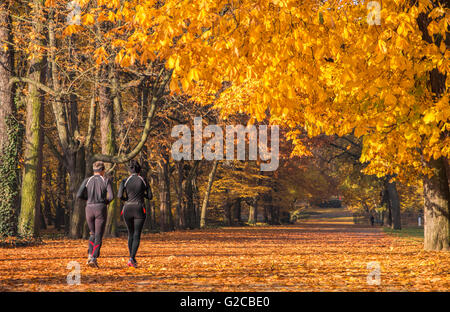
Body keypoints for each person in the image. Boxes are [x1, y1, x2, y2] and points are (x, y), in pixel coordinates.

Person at [76, 161, 114, 268]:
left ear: (94, 170)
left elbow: (79, 195)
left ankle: (89, 255)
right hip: (100, 208)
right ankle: (93, 258)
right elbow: (111, 197)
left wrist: (88, 200)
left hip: (89, 208)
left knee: (92, 233)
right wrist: (104, 202)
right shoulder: (106, 180)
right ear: (103, 170)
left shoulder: (87, 180)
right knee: (98, 235)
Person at [118, 160, 152, 268]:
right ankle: (132, 258)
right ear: (139, 170)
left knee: (130, 233)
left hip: (127, 208)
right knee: (137, 234)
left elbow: (119, 196)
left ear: (129, 170)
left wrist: (126, 198)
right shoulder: (143, 180)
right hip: (139, 208)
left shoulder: (125, 180)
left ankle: (132, 257)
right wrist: (142, 194)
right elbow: (150, 196)